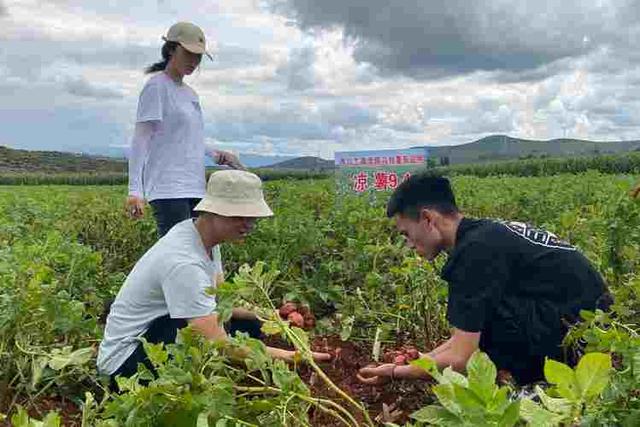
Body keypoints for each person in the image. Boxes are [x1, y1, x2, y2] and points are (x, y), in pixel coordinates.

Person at [358, 175, 612, 385]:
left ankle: (541, 388)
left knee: (489, 333)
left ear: (427, 219)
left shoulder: (474, 254)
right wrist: (425, 360)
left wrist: (396, 373)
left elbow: (461, 358)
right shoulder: (483, 235)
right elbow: (465, 337)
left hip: (581, 340)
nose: (409, 244)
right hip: (591, 326)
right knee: (484, 318)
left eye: (406, 234)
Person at [98, 170, 330, 389]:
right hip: (125, 364)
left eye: (253, 218)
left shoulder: (203, 237)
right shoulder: (184, 262)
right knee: (207, 336)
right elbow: (218, 344)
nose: (249, 225)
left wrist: (273, 316)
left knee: (248, 325)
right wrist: (295, 357)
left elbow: (221, 300)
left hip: (154, 331)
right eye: (240, 216)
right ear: (212, 211)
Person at [126, 21, 243, 237]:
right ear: (171, 49)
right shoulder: (157, 86)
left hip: (194, 185)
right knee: (178, 254)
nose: (194, 61)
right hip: (168, 188)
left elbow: (189, 138)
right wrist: (135, 191)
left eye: (198, 56)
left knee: (197, 250)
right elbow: (141, 139)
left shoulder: (190, 94)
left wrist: (215, 154)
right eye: (188, 53)